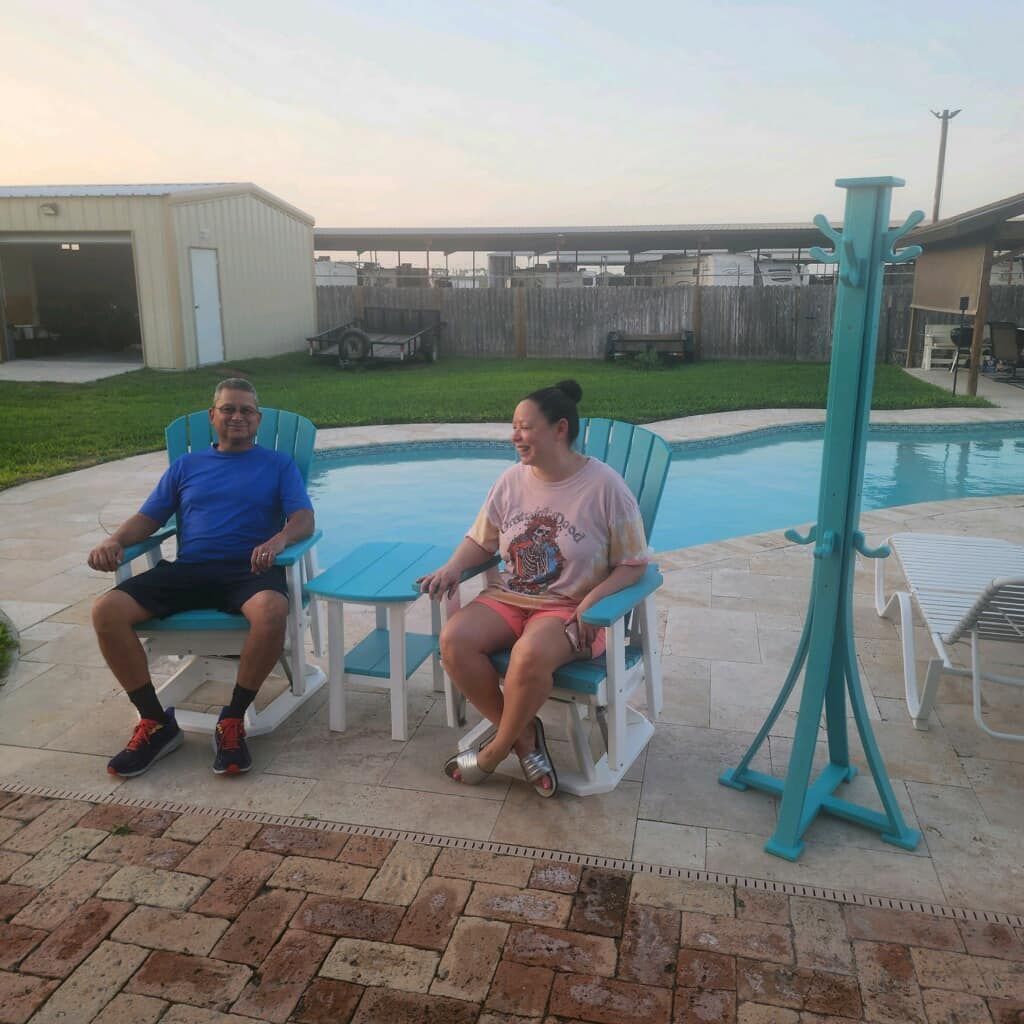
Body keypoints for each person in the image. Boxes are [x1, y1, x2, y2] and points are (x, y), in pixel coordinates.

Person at [418, 380, 648, 798]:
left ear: (560, 429)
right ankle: (524, 737)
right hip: (510, 597)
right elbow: (482, 540)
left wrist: (593, 601)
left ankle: (493, 753)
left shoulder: (606, 488)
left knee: (527, 656)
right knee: (454, 641)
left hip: (571, 607)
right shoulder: (510, 481)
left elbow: (634, 564)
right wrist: (452, 566)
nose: (515, 436)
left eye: (525, 427)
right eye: (514, 427)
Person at [88, 378, 315, 778]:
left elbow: (303, 518)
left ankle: (233, 719)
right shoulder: (186, 466)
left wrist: (278, 540)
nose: (237, 416)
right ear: (212, 416)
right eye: (228, 409)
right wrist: (115, 540)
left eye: (246, 410)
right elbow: (149, 518)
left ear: (258, 419)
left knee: (271, 610)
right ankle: (155, 722)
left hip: (248, 570)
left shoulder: (278, 464)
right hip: (190, 569)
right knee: (107, 611)